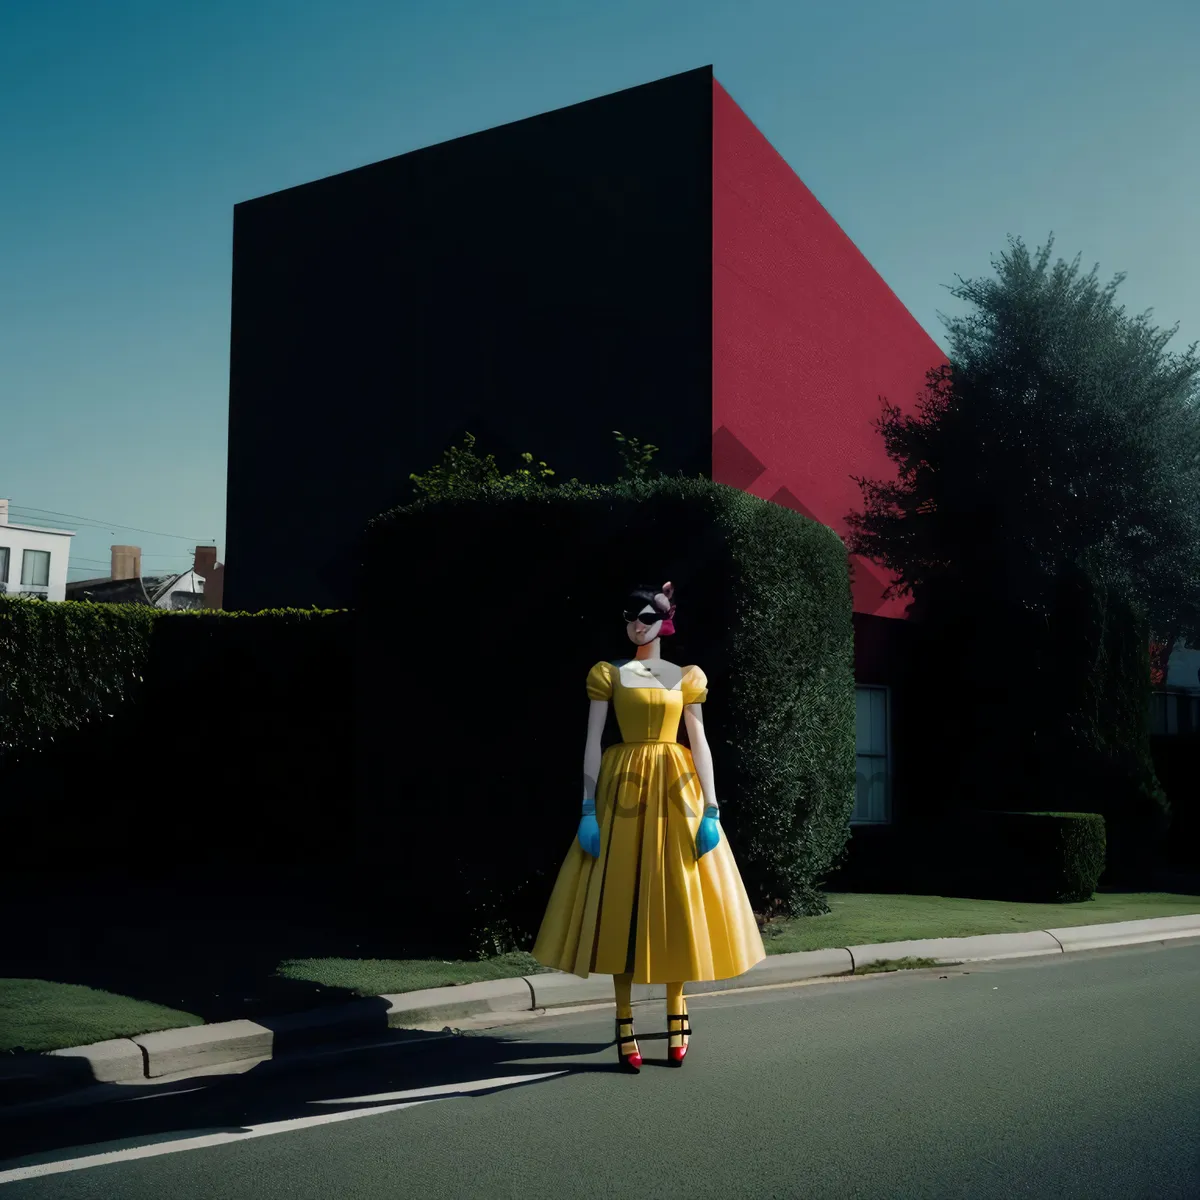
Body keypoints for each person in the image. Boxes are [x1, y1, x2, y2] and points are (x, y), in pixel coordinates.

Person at [531, 580, 766, 1072]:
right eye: (630, 617)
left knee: (675, 897)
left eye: (646, 616)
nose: (637, 624)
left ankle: (678, 1009)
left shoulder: (686, 677)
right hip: (622, 792)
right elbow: (592, 742)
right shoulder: (608, 674)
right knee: (623, 900)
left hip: (676, 792)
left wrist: (713, 808)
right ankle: (623, 1021)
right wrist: (588, 809)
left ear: (665, 620)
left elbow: (699, 741)